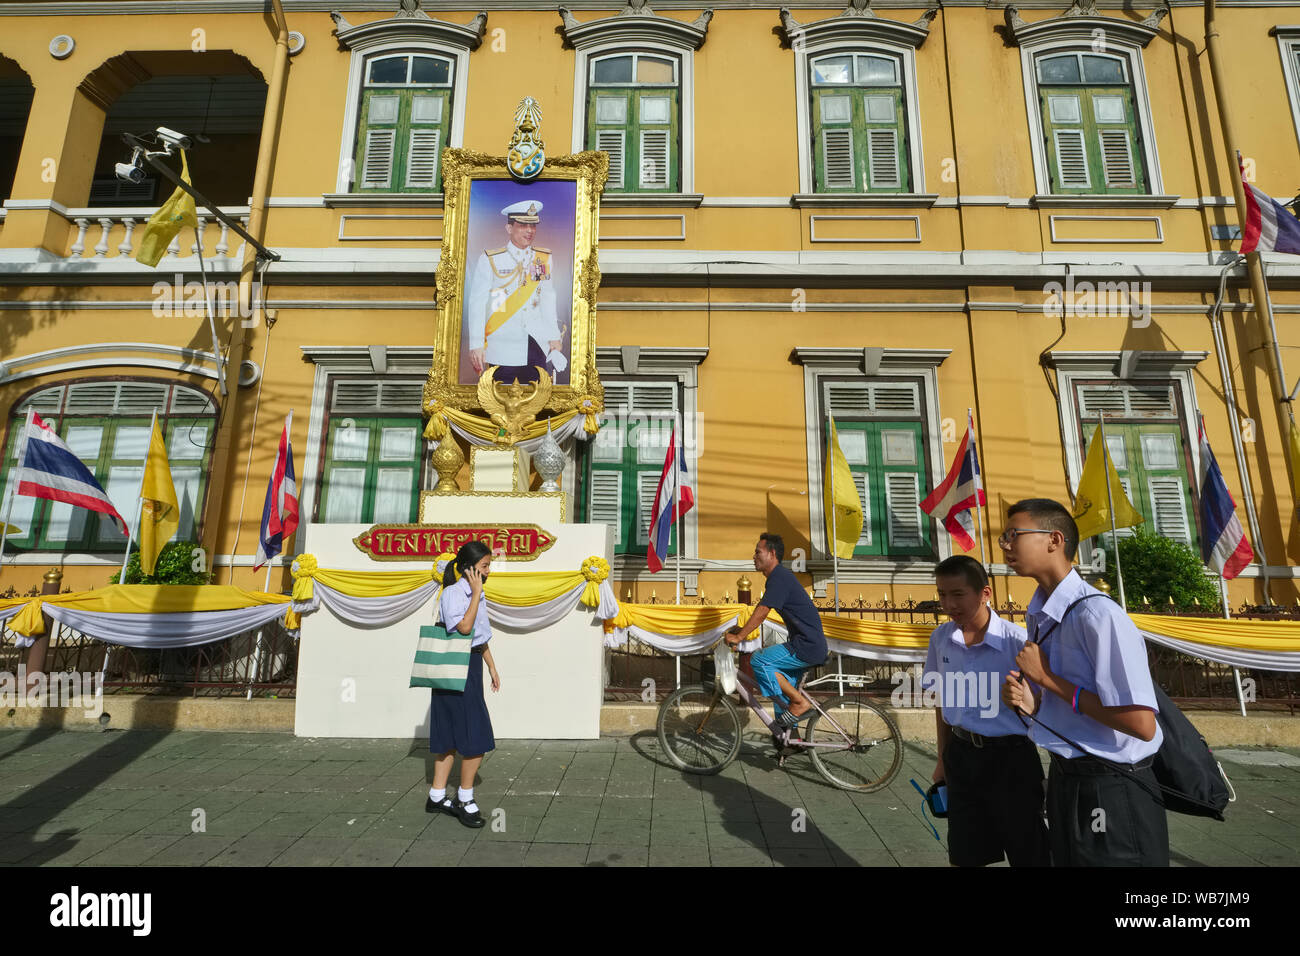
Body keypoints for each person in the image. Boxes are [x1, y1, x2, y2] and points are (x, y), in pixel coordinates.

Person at [999, 497, 1168, 866]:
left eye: (1014, 534)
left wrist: (1047, 678)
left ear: (1054, 540)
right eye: (1003, 538)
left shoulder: (1098, 614)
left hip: (1111, 784)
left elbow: (1140, 723)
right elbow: (1069, 705)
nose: (1006, 544)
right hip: (1066, 776)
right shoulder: (1040, 612)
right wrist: (1034, 703)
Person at [925, 555, 1050, 867]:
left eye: (957, 594)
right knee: (966, 854)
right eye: (942, 594)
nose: (949, 604)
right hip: (962, 756)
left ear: (985, 593)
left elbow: (1047, 702)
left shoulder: (1018, 641)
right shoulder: (941, 638)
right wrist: (942, 759)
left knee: (1029, 852)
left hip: (1012, 760)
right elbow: (942, 701)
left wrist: (1024, 699)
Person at [724, 533, 827, 749]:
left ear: (771, 554)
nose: (754, 556)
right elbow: (760, 611)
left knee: (759, 661)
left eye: (757, 552)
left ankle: (799, 703)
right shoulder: (779, 578)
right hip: (806, 644)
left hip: (806, 646)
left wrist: (740, 636)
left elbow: (762, 611)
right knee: (782, 690)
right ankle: (793, 739)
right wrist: (740, 629)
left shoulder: (779, 577)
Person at [426, 540, 501, 829]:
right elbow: (464, 629)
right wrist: (476, 594)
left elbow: (479, 638)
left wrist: (492, 667)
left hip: (469, 667)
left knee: (455, 733)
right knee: (474, 734)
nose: (489, 571)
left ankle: (436, 795)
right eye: (484, 566)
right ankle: (465, 798)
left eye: (489, 565)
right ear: (470, 569)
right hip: (454, 668)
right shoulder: (455, 594)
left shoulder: (475, 594)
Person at [463, 200, 565, 385]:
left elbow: (548, 299)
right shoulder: (490, 260)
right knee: (501, 402)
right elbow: (477, 303)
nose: (530, 230)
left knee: (538, 402)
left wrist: (554, 337)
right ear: (509, 228)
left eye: (533, 225)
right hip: (502, 343)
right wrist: (476, 344)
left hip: (536, 342)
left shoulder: (543, 258)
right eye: (523, 225)